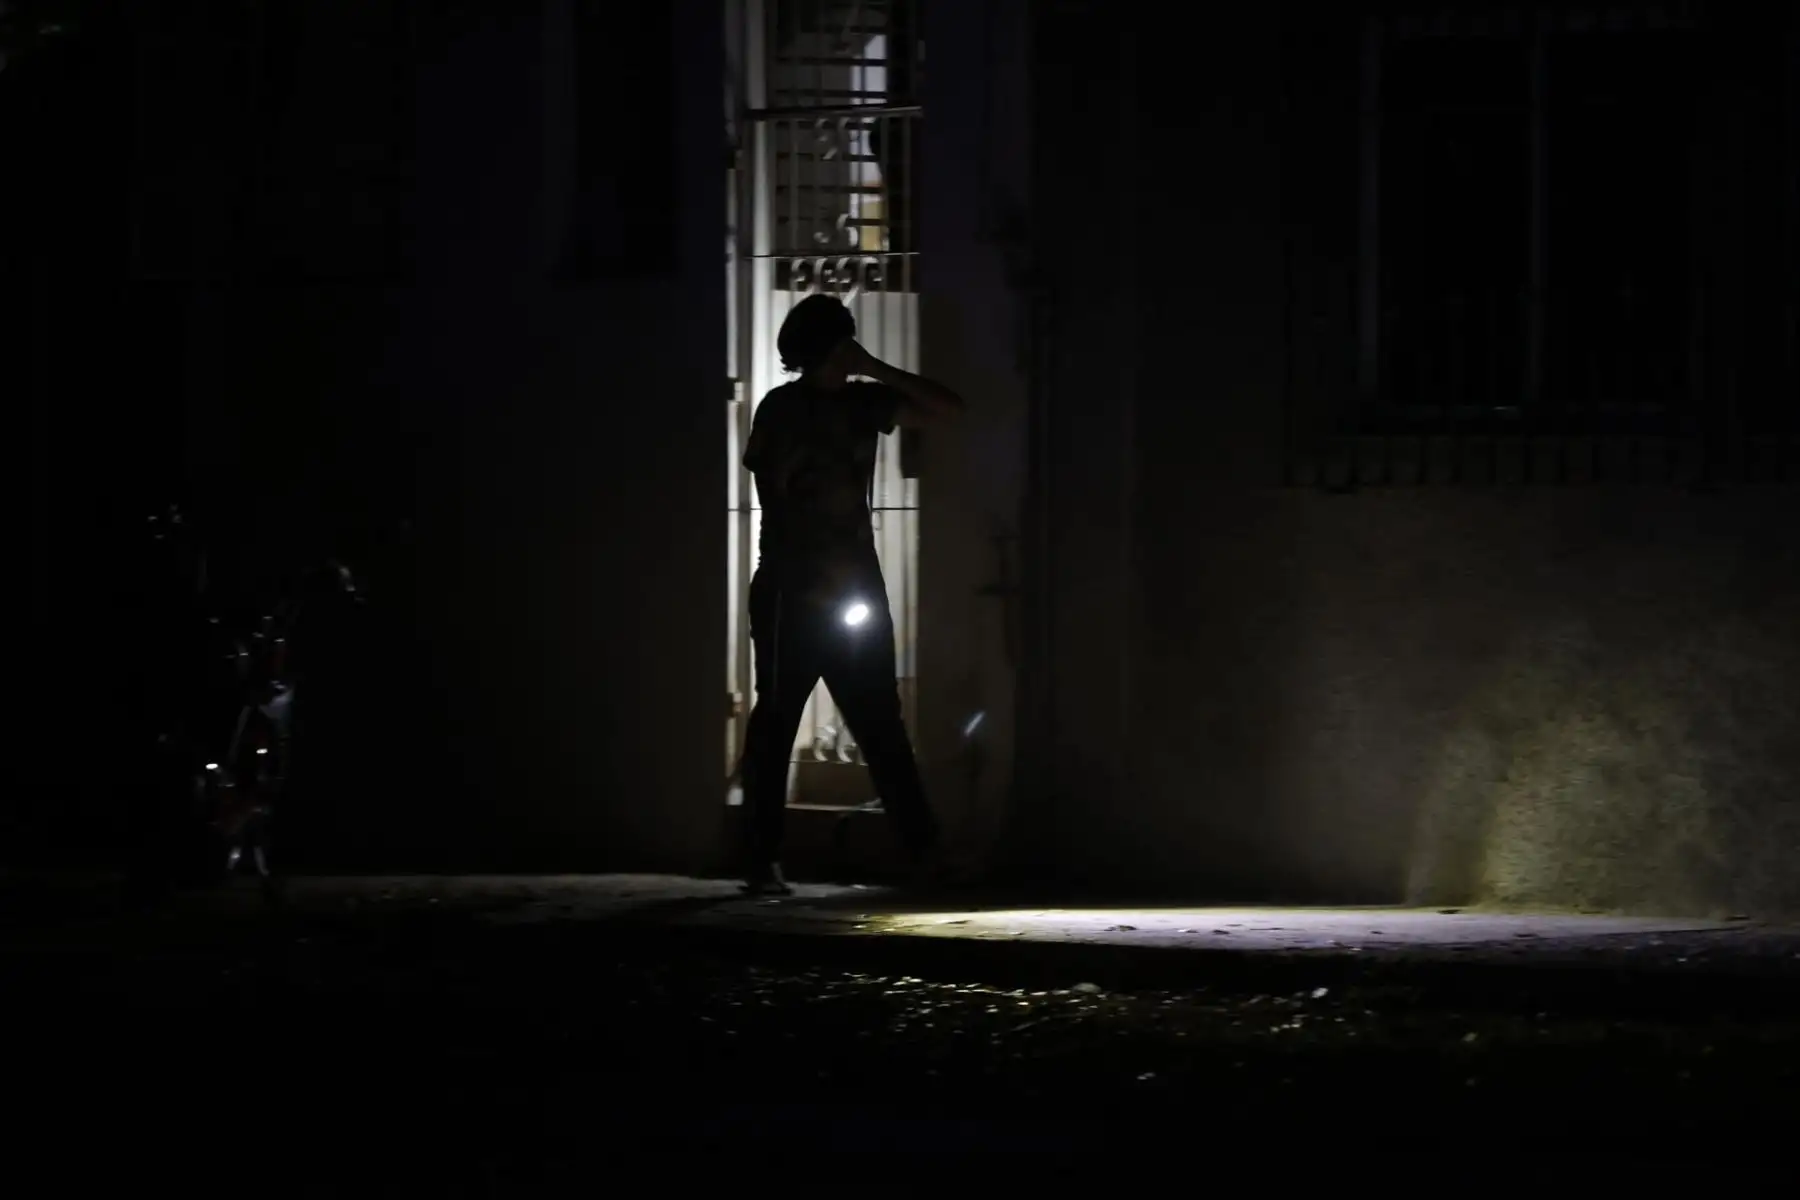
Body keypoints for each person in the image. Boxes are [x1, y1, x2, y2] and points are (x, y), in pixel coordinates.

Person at [738, 294, 965, 895]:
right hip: (793, 588)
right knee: (778, 718)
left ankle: (924, 852)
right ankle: (759, 861)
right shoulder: (781, 409)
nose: (848, 355)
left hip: (855, 589)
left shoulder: (866, 402)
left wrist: (879, 370)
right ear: (820, 350)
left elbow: (948, 409)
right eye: (841, 345)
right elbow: (774, 491)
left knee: (880, 722)